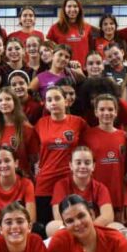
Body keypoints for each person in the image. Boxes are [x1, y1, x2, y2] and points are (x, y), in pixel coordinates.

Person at [34, 86, 88, 227]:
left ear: (66, 101)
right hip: (45, 181)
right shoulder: (40, 124)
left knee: (72, 224)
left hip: (69, 179)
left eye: (57, 98)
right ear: (46, 104)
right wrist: (36, 166)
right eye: (49, 100)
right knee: (46, 225)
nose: (53, 102)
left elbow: (88, 146)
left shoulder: (78, 122)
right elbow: (34, 150)